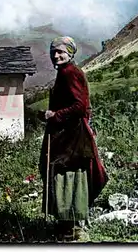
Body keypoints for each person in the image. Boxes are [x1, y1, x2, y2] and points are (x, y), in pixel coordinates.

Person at [39, 36, 108, 241]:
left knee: (66, 174)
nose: (56, 56)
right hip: (66, 133)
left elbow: (80, 105)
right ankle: (66, 224)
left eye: (61, 52)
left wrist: (55, 115)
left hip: (71, 136)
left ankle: (70, 226)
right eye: (54, 52)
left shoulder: (70, 73)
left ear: (70, 53)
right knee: (64, 174)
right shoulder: (65, 73)